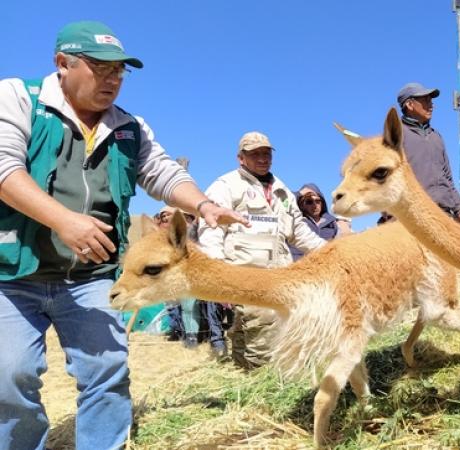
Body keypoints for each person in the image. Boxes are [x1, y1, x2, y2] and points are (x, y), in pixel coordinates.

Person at [0, 21, 246, 450]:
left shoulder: (129, 127)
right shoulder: (19, 97)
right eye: (101, 69)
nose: (113, 80)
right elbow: (4, 170)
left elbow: (163, 173)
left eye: (120, 71)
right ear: (63, 64)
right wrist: (64, 220)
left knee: (107, 369)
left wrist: (203, 205)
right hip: (14, 273)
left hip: (92, 277)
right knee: (10, 376)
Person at [198, 131, 327, 369]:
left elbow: (299, 231)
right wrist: (218, 273)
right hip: (244, 273)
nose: (262, 158)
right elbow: (211, 228)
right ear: (241, 158)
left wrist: (331, 251)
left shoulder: (283, 191)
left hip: (279, 273)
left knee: (247, 327)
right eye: (255, 154)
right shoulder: (225, 185)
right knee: (262, 325)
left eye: (266, 153)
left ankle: (242, 376)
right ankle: (262, 379)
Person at [389, 82, 460, 226]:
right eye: (425, 100)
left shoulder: (436, 137)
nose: (431, 105)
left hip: (443, 214)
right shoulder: (397, 136)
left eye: (431, 101)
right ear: (409, 105)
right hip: (413, 216)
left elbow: (448, 178)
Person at [155, 207, 203, 349]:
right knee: (175, 306)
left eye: (167, 215)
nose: (165, 218)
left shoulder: (193, 230)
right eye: (162, 216)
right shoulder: (170, 234)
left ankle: (193, 336)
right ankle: (183, 333)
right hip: (175, 274)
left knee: (189, 306)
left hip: (191, 273)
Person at [290, 183, 352, 260]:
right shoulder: (295, 220)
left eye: (318, 201)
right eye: (309, 202)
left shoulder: (334, 224)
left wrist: (346, 231)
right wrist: (299, 193)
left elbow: (344, 247)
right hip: (297, 266)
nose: (315, 205)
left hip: (324, 266)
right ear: (302, 204)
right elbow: (281, 201)